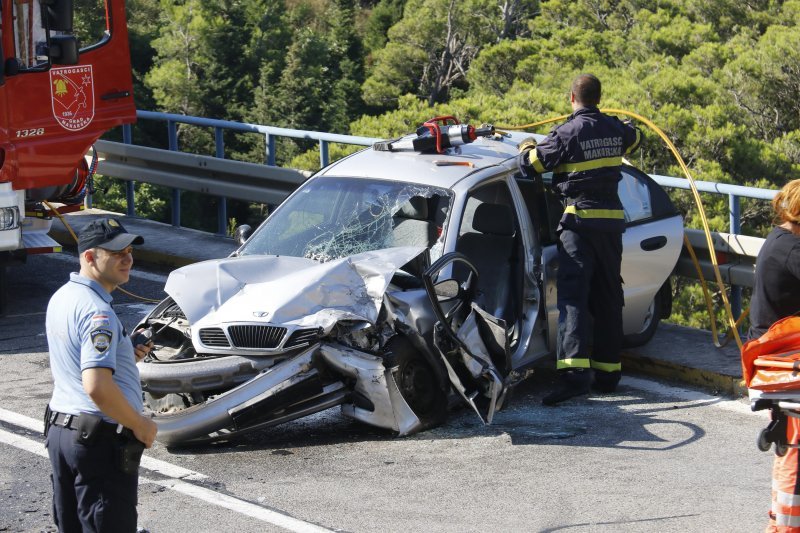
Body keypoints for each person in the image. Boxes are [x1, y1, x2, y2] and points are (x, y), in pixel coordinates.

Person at [518, 73, 641, 406]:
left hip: (580, 225)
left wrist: (527, 146)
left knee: (573, 299)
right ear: (598, 98)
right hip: (611, 226)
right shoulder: (615, 129)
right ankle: (608, 374)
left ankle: (574, 377)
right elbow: (635, 137)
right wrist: (624, 126)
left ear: (571, 97)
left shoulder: (566, 133)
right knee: (607, 296)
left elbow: (532, 164)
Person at [44, 217, 158, 532]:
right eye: (117, 252)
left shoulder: (63, 297)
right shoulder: (99, 313)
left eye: (130, 250)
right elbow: (96, 386)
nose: (128, 258)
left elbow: (78, 362)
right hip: (98, 443)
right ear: (90, 257)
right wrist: (141, 425)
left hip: (64, 432)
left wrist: (125, 356)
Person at [747, 180, 800, 532]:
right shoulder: (792, 250)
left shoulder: (781, 239)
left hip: (774, 355)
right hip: (782, 361)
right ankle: (784, 525)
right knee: (797, 445)